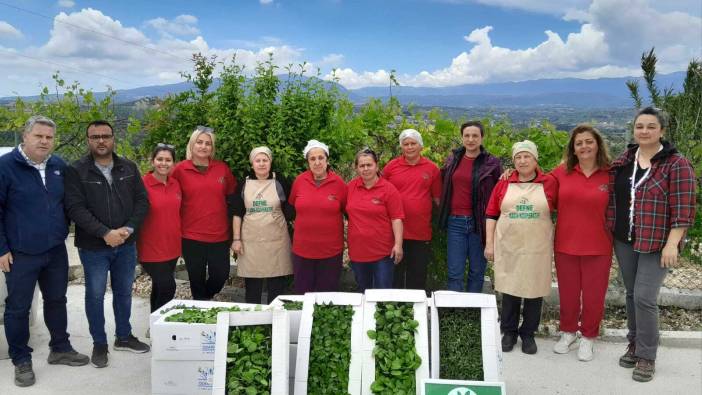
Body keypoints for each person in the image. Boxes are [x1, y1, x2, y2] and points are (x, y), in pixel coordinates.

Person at [607, 107, 696, 382]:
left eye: (650, 126)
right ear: (634, 129)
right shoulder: (624, 160)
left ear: (662, 131)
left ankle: (647, 355)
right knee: (632, 294)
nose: (644, 131)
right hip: (624, 239)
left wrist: (673, 244)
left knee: (645, 297)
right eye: (640, 126)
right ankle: (634, 344)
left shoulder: (675, 164)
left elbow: (683, 207)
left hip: (657, 242)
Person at [0, 116, 89, 387]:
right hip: (20, 253)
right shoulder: (5, 167)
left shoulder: (58, 166)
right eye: (39, 136)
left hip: (54, 250)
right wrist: (2, 248)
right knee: (18, 308)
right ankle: (21, 359)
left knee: (56, 300)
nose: (44, 141)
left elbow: (69, 204)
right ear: (25, 136)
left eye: (49, 137)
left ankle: (60, 348)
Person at [64, 120, 150, 368]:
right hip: (94, 247)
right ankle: (99, 343)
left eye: (105, 136)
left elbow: (142, 202)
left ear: (113, 138)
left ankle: (123, 336)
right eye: (95, 137)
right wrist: (104, 233)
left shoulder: (129, 167)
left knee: (124, 293)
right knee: (95, 295)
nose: (101, 141)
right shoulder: (76, 170)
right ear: (88, 140)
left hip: (126, 243)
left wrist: (128, 228)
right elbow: (75, 208)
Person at [484, 140, 556, 355]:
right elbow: (491, 214)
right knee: (510, 289)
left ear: (536, 159)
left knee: (534, 290)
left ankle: (528, 334)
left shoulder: (550, 182)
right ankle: (509, 332)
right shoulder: (503, 183)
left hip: (537, 246)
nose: (523, 161)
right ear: (513, 161)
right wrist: (489, 244)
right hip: (508, 244)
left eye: (527, 156)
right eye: (518, 157)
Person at [551, 125, 612, 361]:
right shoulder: (560, 173)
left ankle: (588, 337)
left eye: (589, 141)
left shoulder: (611, 174)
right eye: (579, 143)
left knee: (594, 295)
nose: (584, 146)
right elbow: (534, 185)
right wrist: (509, 175)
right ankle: (568, 333)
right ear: (573, 149)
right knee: (568, 293)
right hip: (565, 243)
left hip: (599, 245)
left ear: (597, 144)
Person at [170, 126, 236, 301]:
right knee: (196, 280)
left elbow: (232, 198)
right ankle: (201, 311)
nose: (203, 146)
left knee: (221, 275)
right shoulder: (179, 170)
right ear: (192, 145)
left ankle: (203, 301)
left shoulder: (222, 169)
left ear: (212, 148)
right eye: (199, 142)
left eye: (208, 143)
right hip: (191, 236)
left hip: (219, 235)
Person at [439, 121, 502, 292]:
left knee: (476, 272)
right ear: (462, 138)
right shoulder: (453, 159)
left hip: (479, 224)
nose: (471, 139)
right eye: (467, 135)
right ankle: (455, 313)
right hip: (455, 222)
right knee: (455, 272)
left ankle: (471, 313)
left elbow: (500, 191)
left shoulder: (492, 163)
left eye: (475, 135)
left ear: (482, 138)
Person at [232, 146, 294, 304]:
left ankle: (276, 323)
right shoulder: (243, 184)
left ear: (270, 162)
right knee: (252, 287)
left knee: (277, 287)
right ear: (252, 164)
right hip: (251, 242)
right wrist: (236, 239)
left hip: (277, 241)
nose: (261, 164)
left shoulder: (280, 182)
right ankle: (253, 324)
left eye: (265, 160)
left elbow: (293, 207)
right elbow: (237, 213)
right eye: (257, 160)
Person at [382, 129, 441, 290]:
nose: (409, 147)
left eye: (413, 143)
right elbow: (380, 191)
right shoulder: (391, 167)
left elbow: (437, 199)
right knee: (395, 274)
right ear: (401, 147)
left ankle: (416, 312)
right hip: (393, 231)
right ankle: (395, 310)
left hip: (420, 231)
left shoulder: (432, 169)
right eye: (406, 144)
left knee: (417, 275)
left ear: (420, 146)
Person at [289, 140, 347, 293]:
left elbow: (347, 210)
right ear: (308, 162)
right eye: (312, 159)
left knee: (327, 296)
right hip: (303, 250)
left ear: (327, 160)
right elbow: (291, 208)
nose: (317, 162)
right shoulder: (299, 181)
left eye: (320, 158)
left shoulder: (339, 183)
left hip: (330, 251)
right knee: (303, 294)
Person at [346, 148, 404, 292]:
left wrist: (398, 244)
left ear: (376, 166)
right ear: (357, 168)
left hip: (383, 254)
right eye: (361, 166)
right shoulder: (350, 187)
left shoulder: (389, 189)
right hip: (358, 252)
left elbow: (397, 218)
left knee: (382, 295)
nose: (366, 169)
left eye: (369, 165)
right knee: (363, 292)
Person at [137, 144, 181, 314]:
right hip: (150, 248)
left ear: (173, 163)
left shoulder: (175, 184)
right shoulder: (142, 184)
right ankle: (161, 323)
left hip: (172, 247)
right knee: (168, 286)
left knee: (159, 287)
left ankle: (154, 323)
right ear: (153, 161)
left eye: (168, 160)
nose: (164, 163)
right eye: (160, 159)